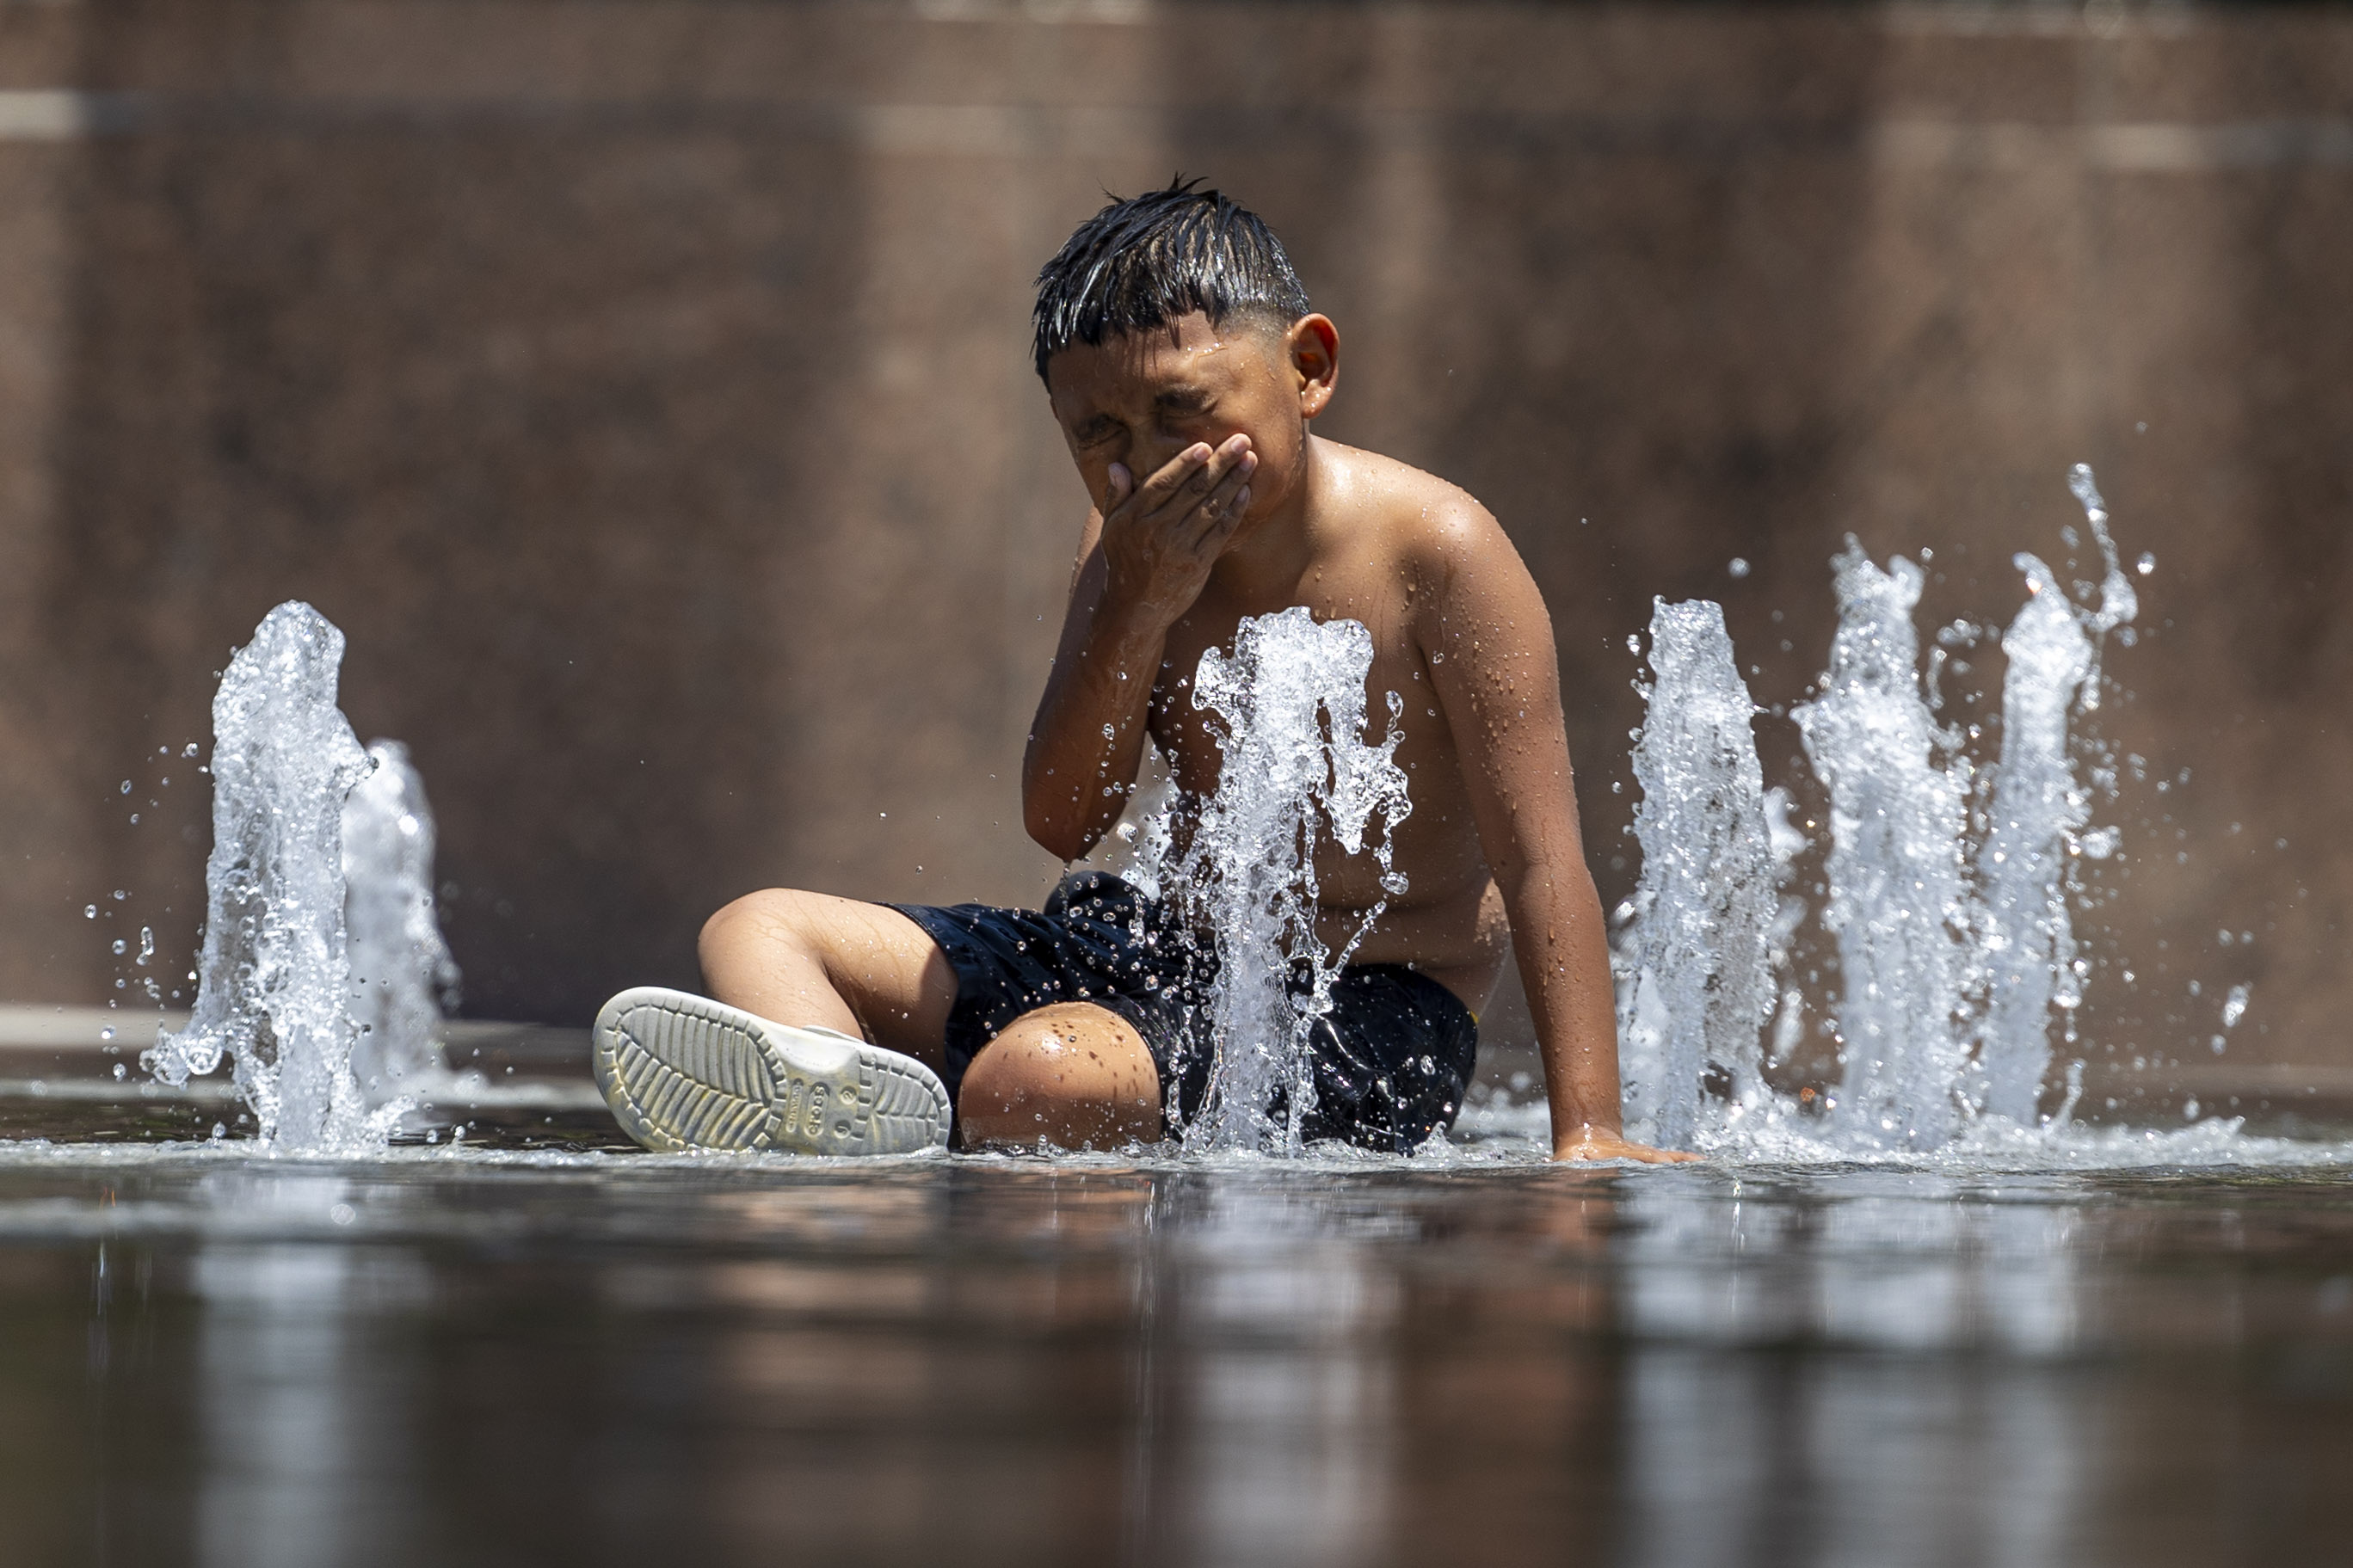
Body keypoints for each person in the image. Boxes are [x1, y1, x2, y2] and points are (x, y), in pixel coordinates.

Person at [593, 180, 1692, 1165]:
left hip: (1370, 1007)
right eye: (1099, 432)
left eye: (1182, 410)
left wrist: (1586, 1130)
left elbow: (1542, 862)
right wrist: (1138, 601)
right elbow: (1066, 820)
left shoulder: (1437, 553)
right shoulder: (1125, 545)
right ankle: (845, 1126)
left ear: (1306, 369)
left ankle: (940, 1119)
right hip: (1156, 951)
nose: (1146, 460)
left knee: (1038, 1080)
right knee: (758, 926)